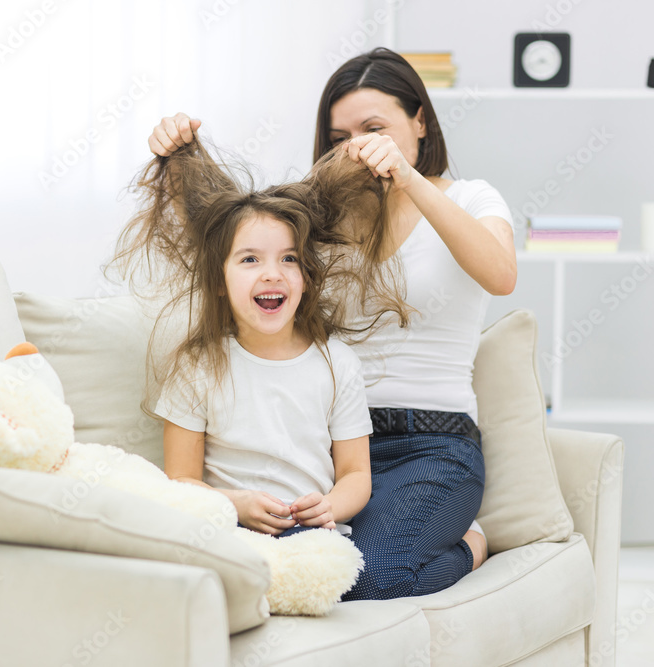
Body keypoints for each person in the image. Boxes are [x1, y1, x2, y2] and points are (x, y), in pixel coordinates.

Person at [146, 47, 516, 600]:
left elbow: (500, 273)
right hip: (334, 447)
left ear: (419, 121)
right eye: (339, 136)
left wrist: (409, 179)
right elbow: (237, 238)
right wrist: (177, 155)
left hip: (432, 443)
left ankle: (470, 545)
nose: (357, 146)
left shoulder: (469, 197)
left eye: (374, 127)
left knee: (366, 578)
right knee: (316, 571)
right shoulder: (321, 220)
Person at [113, 135, 410, 539]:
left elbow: (356, 475)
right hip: (226, 531)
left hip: (314, 539)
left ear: (305, 278)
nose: (272, 273)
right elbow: (180, 480)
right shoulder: (198, 366)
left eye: (289, 259)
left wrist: (330, 507)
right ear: (219, 280)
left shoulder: (337, 363)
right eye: (250, 259)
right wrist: (235, 504)